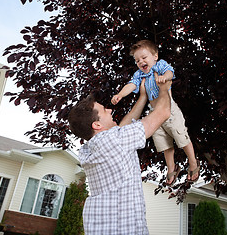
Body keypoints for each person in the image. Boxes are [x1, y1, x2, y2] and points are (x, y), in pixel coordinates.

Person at [68, 77, 171, 234]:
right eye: (104, 110)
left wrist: (143, 97)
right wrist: (164, 88)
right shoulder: (115, 141)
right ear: (97, 125)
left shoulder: (92, 148)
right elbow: (163, 112)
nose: (109, 110)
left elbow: (123, 129)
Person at [111, 40, 200, 185]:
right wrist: (120, 94)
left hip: (169, 109)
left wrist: (165, 77)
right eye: (137, 60)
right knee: (163, 143)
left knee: (181, 137)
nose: (141, 62)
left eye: (144, 58)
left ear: (155, 56)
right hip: (153, 112)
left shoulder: (160, 66)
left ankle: (193, 162)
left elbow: (171, 72)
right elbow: (131, 84)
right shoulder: (140, 74)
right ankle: (172, 167)